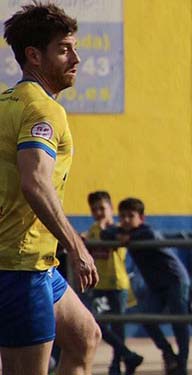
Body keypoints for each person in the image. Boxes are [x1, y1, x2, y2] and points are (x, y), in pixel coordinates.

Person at [0, 4, 101, 375]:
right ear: (34, 56)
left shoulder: (5, 103)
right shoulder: (44, 110)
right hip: (19, 267)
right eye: (64, 49)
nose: (76, 58)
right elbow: (35, 181)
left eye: (74, 47)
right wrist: (77, 246)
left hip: (37, 263)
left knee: (84, 337)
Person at [102, 198, 190, 375]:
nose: (126, 220)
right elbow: (106, 234)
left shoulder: (146, 231)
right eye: (123, 216)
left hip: (175, 280)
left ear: (142, 217)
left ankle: (182, 365)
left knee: (179, 322)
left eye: (131, 216)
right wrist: (121, 235)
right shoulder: (123, 231)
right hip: (156, 286)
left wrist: (128, 237)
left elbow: (149, 235)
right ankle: (168, 353)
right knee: (147, 319)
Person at [84, 191, 144, 375]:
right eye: (94, 210)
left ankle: (117, 365)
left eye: (102, 208)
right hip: (100, 286)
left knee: (119, 328)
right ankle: (128, 355)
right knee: (98, 321)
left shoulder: (118, 230)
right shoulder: (94, 229)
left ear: (111, 209)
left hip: (118, 285)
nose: (99, 212)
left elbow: (108, 239)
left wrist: (101, 228)